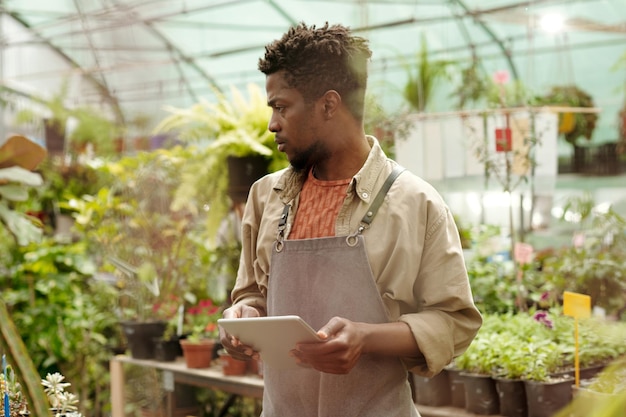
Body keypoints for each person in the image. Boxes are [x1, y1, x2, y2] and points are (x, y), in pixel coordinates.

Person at [219, 22, 482, 417]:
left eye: (281, 106)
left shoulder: (414, 203)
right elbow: (252, 292)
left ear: (328, 104)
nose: (272, 124)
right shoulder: (266, 197)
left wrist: (368, 338)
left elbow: (453, 320)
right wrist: (244, 317)